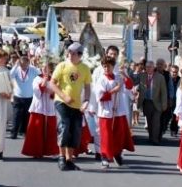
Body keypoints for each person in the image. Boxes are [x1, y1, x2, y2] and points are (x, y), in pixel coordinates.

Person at [48, 43, 92, 171]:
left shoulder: (85, 69)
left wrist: (86, 101)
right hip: (61, 102)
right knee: (64, 126)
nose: (70, 55)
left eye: (74, 53)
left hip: (77, 105)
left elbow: (87, 87)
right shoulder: (62, 66)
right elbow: (52, 83)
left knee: (75, 131)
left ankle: (69, 160)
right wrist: (63, 96)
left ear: (80, 55)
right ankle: (61, 157)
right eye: (69, 53)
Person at [94, 56, 135, 168]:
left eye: (109, 66)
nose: (106, 68)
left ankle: (117, 154)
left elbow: (129, 86)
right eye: (104, 66)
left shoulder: (118, 77)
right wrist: (114, 91)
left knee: (118, 135)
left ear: (113, 66)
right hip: (106, 112)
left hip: (118, 111)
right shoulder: (102, 80)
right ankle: (105, 156)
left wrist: (125, 75)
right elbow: (100, 96)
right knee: (106, 136)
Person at [22, 61, 60, 158]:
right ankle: (36, 151)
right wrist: (44, 82)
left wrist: (52, 92)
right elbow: (37, 92)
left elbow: (57, 92)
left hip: (49, 106)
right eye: (43, 67)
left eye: (46, 68)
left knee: (50, 130)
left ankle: (51, 150)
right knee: (37, 129)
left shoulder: (54, 80)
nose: (44, 69)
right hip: (38, 107)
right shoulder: (37, 79)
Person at [137, 60, 168, 144]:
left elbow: (164, 92)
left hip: (157, 103)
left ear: (154, 67)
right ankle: (151, 137)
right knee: (149, 122)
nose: (148, 68)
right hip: (147, 102)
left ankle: (155, 139)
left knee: (156, 122)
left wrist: (164, 104)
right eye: (147, 67)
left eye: (150, 67)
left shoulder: (160, 77)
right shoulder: (142, 76)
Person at [10, 55, 40, 140]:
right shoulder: (17, 69)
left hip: (29, 97)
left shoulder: (32, 69)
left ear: (28, 63)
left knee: (27, 116)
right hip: (18, 96)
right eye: (21, 64)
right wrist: (15, 65)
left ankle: (25, 132)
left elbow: (40, 74)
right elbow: (10, 75)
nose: (23, 66)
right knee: (16, 115)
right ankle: (14, 133)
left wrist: (34, 64)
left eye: (25, 64)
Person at [165, 64, 181, 137]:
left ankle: (174, 130)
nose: (174, 73)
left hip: (177, 100)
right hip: (168, 99)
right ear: (170, 72)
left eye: (176, 72)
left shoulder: (179, 79)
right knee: (167, 115)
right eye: (173, 72)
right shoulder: (167, 79)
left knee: (175, 116)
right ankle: (164, 129)